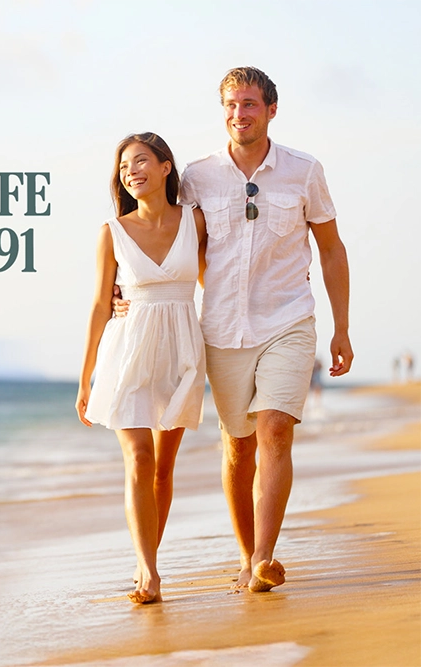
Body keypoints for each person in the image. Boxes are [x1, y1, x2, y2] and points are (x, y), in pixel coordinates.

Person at [115, 67, 353, 593]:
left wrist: (342, 327)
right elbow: (166, 236)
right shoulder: (199, 177)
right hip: (221, 329)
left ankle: (266, 558)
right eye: (230, 105)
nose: (239, 114)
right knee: (237, 446)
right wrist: (124, 289)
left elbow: (332, 250)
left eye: (249, 104)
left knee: (273, 429)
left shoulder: (304, 171)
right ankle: (247, 557)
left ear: (270, 110)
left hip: (288, 318)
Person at [75, 132, 207, 604]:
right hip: (127, 350)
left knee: (163, 469)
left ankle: (146, 556)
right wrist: (86, 376)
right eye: (124, 166)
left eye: (142, 161)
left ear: (167, 167)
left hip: (181, 349)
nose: (131, 171)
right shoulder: (112, 232)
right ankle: (149, 572)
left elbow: (221, 275)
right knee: (139, 457)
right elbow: (98, 305)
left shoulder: (196, 221)